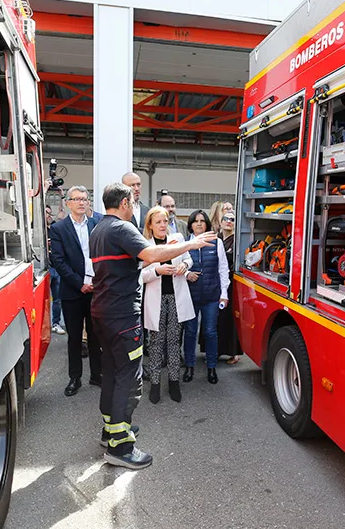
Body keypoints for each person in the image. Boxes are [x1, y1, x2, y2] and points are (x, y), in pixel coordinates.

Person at [90, 182, 217, 470]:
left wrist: (172, 246)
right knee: (129, 378)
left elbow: (138, 256)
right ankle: (120, 447)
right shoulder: (121, 228)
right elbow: (150, 255)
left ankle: (111, 430)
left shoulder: (99, 229)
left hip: (104, 313)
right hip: (122, 316)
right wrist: (190, 244)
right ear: (124, 203)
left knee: (111, 372)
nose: (134, 203)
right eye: (132, 200)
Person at [49, 186, 102, 397]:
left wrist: (97, 282)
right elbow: (59, 262)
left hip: (96, 290)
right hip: (73, 291)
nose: (81, 202)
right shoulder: (59, 229)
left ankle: (97, 375)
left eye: (85, 199)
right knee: (74, 338)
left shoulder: (96, 225)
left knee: (96, 334)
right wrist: (80, 283)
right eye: (76, 199)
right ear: (68, 203)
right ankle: (75, 377)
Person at [141, 207, 194, 404]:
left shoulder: (178, 239)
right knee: (155, 344)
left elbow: (189, 258)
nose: (163, 225)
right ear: (150, 225)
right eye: (158, 222)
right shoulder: (145, 245)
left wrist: (185, 266)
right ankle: (155, 383)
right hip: (156, 300)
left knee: (173, 343)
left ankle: (174, 382)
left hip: (175, 298)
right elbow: (140, 275)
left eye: (165, 221)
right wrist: (158, 270)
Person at [183, 210, 230, 384]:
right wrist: (187, 273)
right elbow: (176, 266)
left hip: (212, 296)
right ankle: (189, 367)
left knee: (210, 332)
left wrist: (224, 294)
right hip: (190, 297)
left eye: (203, 221)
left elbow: (223, 269)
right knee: (190, 332)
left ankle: (211, 368)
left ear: (207, 224)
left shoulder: (216, 243)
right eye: (196, 221)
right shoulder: (185, 243)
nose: (199, 224)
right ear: (191, 225)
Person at [217, 211, 240, 364]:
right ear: (220, 221)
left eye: (232, 219)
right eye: (226, 219)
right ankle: (217, 350)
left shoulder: (237, 241)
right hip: (216, 282)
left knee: (230, 318)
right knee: (217, 318)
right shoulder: (216, 239)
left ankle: (234, 353)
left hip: (231, 283)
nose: (228, 222)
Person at [46, 206, 66, 335]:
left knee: (57, 298)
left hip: (55, 267)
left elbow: (61, 217)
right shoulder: (36, 230)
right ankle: (44, 325)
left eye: (49, 213)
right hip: (45, 267)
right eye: (46, 213)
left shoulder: (54, 228)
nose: (49, 215)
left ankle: (55, 323)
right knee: (44, 299)